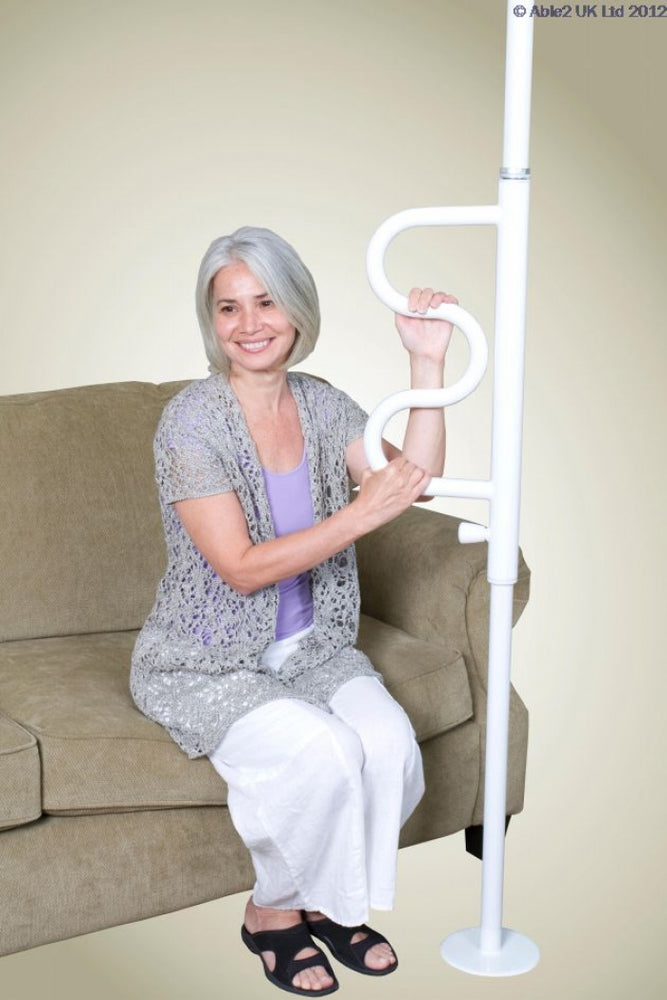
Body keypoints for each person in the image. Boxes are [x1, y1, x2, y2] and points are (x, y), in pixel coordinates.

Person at [129, 226, 456, 996]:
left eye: (265, 301)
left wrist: (426, 364)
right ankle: (275, 915)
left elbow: (414, 481)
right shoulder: (190, 421)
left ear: (297, 310)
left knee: (388, 749)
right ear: (210, 323)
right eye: (228, 308)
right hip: (203, 658)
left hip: (313, 646)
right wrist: (356, 516)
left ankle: (317, 899)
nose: (248, 324)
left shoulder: (323, 404)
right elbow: (240, 571)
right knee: (322, 755)